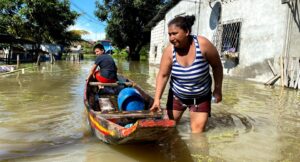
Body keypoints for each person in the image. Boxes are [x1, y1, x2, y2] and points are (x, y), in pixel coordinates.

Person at [150, 15, 223, 133]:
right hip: (177, 96)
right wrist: (157, 100)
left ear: (187, 32)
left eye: (175, 33)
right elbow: (163, 75)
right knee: (169, 129)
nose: (171, 38)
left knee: (198, 135)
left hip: (201, 97)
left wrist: (218, 89)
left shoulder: (203, 44)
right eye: (169, 34)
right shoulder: (169, 51)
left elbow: (217, 66)